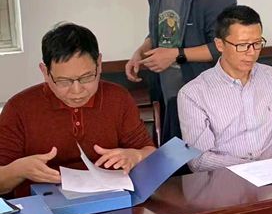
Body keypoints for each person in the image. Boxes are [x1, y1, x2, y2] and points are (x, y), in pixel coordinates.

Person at [0, 23, 156, 196]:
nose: (77, 91)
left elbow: (151, 154)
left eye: (86, 77)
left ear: (99, 64)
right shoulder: (18, 109)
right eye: (63, 81)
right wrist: (18, 170)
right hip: (43, 207)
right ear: (45, 72)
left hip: (112, 203)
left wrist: (136, 156)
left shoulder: (118, 98)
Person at [178, 5, 272, 172]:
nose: (251, 53)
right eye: (242, 45)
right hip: (227, 180)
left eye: (257, 43)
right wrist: (254, 169)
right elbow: (198, 160)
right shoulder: (193, 94)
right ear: (220, 44)